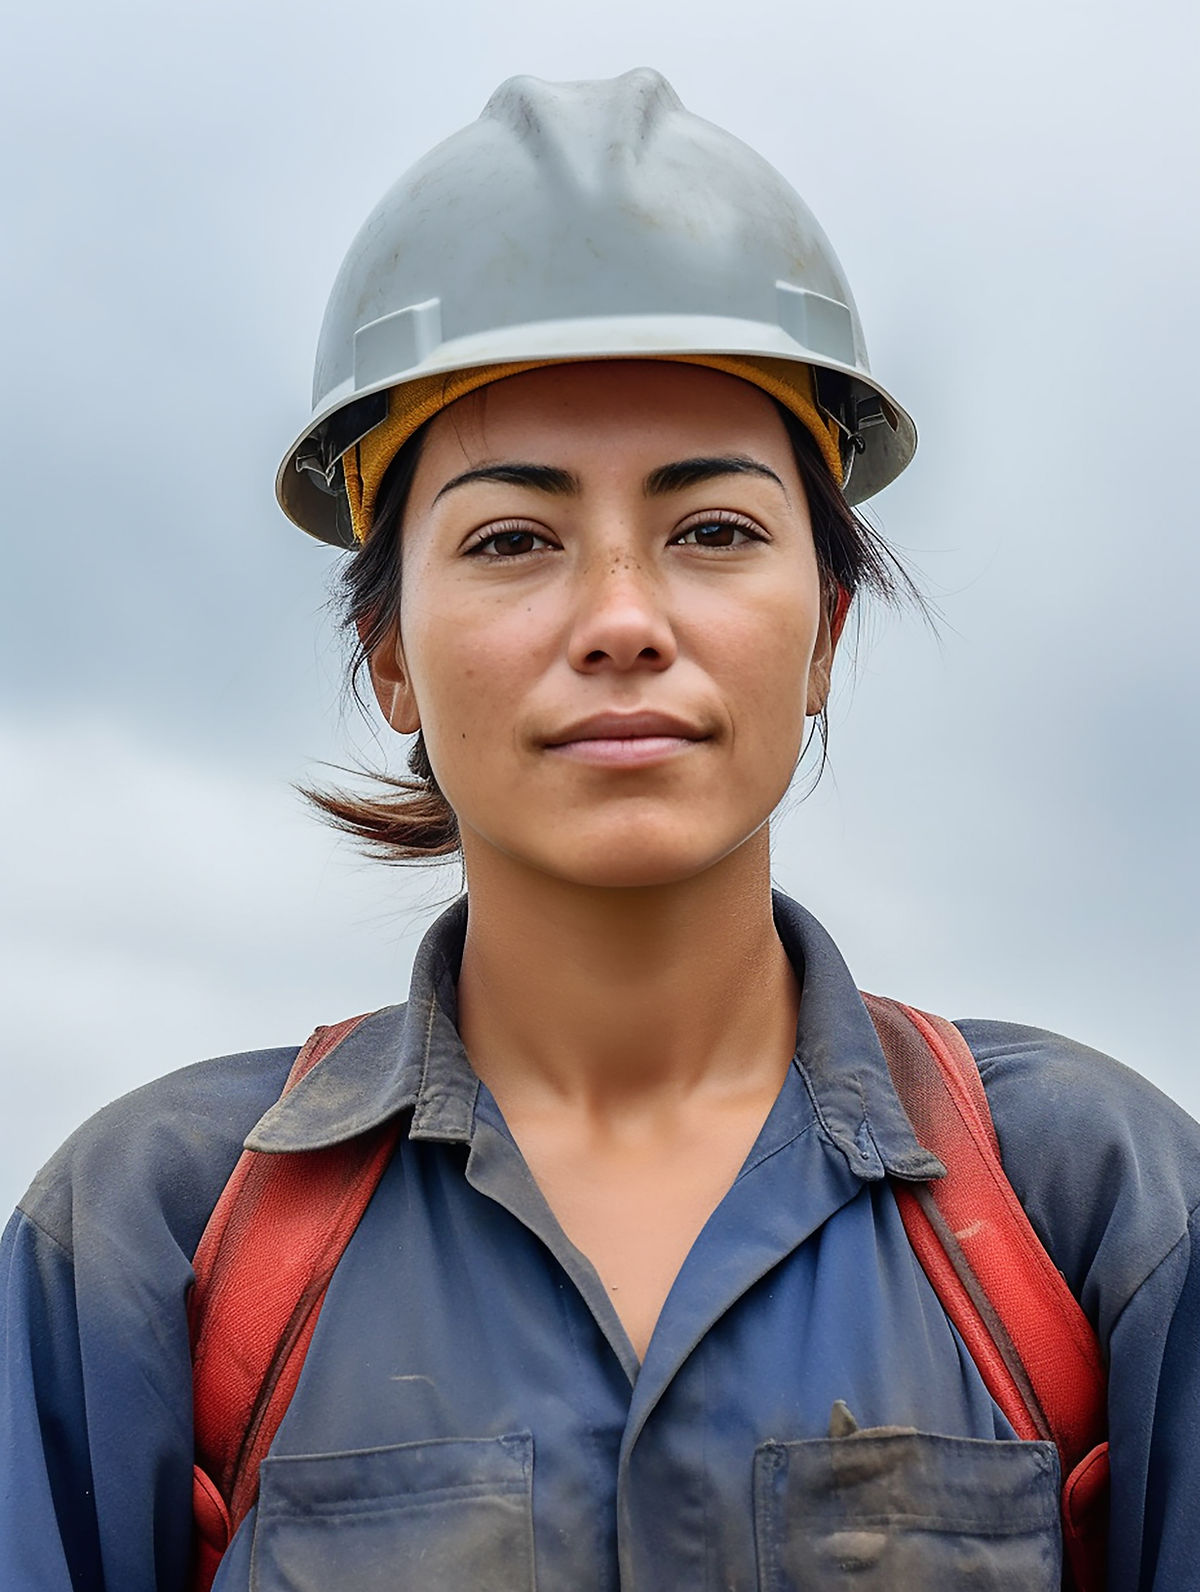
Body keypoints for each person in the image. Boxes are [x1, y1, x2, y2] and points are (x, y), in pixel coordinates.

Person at [2, 68, 1198, 1592]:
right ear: (388, 657)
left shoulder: (1100, 1214)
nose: (625, 619)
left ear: (827, 630)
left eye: (714, 530)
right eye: (513, 538)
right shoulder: (148, 1244)